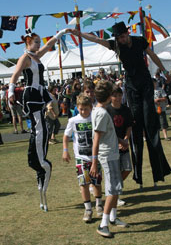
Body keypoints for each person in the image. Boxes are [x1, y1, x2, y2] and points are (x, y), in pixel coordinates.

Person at [67, 21, 171, 187]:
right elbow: (96, 40)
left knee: (151, 127)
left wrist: (164, 71)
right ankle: (139, 178)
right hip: (131, 87)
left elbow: (152, 55)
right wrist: (79, 34)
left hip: (145, 83)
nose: (121, 40)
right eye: (119, 38)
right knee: (136, 128)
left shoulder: (139, 41)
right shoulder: (115, 45)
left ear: (127, 33)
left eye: (123, 36)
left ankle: (159, 173)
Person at [8, 28, 68, 211]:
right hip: (32, 94)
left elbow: (49, 45)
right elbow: (15, 75)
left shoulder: (36, 56)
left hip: (40, 92)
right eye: (36, 42)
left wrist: (59, 34)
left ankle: (42, 166)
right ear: (28, 43)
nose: (39, 45)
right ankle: (42, 165)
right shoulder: (25, 57)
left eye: (39, 42)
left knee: (42, 122)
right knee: (38, 125)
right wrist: (10, 92)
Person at [90, 80, 128, 238]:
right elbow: (96, 139)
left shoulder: (101, 111)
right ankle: (103, 224)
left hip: (112, 153)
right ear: (108, 97)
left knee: (116, 187)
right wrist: (93, 162)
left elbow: (107, 133)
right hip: (107, 156)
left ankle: (112, 218)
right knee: (112, 190)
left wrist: (121, 141)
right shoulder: (102, 113)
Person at [62, 94, 103, 223]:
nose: (83, 111)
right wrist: (65, 151)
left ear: (91, 107)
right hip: (81, 157)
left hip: (95, 156)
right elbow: (66, 136)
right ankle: (88, 209)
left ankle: (99, 204)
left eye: (86, 109)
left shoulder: (94, 118)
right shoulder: (73, 120)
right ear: (77, 108)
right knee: (83, 183)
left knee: (96, 182)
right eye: (81, 109)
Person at [107, 85, 133, 206]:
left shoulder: (126, 110)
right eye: (115, 95)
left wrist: (126, 140)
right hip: (112, 146)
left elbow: (129, 126)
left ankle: (115, 187)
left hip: (124, 144)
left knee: (127, 168)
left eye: (119, 95)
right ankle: (115, 196)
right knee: (115, 172)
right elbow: (107, 130)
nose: (117, 98)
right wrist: (118, 142)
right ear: (110, 97)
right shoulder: (107, 111)